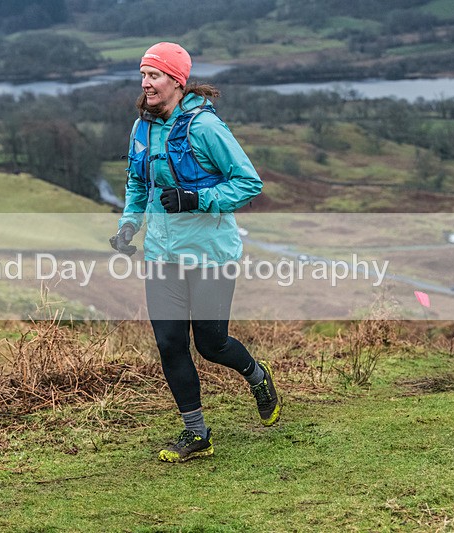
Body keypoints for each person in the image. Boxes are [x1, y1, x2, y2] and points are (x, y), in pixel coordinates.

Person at [109, 42, 281, 463]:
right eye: (143, 75)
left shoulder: (205, 128)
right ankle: (197, 433)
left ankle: (257, 376)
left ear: (176, 81)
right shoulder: (142, 128)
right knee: (169, 343)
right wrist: (129, 225)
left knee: (211, 343)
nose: (145, 83)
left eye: (154, 75)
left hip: (210, 254)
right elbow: (138, 184)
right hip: (161, 254)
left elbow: (248, 183)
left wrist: (194, 199)